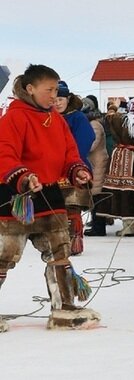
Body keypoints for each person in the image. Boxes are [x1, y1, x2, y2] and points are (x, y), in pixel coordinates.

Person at [0, 64, 100, 332]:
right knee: (5, 255)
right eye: (49, 90)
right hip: (16, 196)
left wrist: (76, 169)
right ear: (30, 89)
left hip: (50, 194)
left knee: (59, 250)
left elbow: (70, 152)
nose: (54, 96)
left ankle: (63, 309)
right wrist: (22, 177)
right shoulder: (13, 118)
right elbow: (4, 152)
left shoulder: (57, 120)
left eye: (57, 90)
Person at [97, 97, 134, 236]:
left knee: (125, 189)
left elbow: (109, 117)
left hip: (125, 157)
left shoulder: (123, 119)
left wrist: (113, 106)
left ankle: (128, 225)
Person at [54, 81, 96, 255]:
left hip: (74, 167)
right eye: (55, 99)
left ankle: (74, 239)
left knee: (72, 207)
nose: (57, 102)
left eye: (61, 99)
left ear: (68, 99)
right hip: (52, 169)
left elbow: (84, 141)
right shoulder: (48, 116)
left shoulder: (77, 117)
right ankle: (57, 241)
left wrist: (71, 162)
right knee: (56, 207)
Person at [82, 97, 110, 237]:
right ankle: (96, 224)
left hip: (97, 162)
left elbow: (92, 144)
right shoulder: (93, 122)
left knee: (97, 195)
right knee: (95, 196)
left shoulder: (94, 124)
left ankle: (98, 227)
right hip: (95, 161)